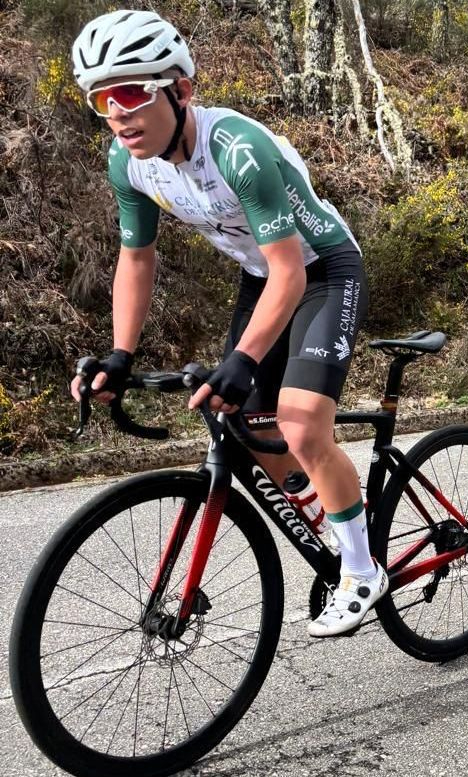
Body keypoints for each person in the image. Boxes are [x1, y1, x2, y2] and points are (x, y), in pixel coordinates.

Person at [68, 9, 384, 637]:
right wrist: (119, 354)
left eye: (131, 93)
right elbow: (136, 256)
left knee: (299, 420)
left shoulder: (239, 150)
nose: (118, 114)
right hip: (262, 274)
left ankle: (361, 568)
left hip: (321, 268)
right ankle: (337, 503)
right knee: (240, 418)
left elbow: (291, 272)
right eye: (102, 99)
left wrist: (241, 359)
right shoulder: (127, 163)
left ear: (180, 90)